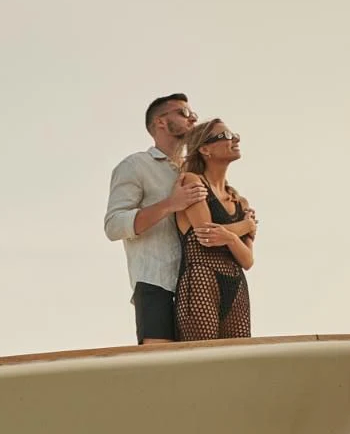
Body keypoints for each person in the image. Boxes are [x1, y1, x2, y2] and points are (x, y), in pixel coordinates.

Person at [104, 93, 207, 343]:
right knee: (162, 370)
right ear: (161, 122)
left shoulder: (197, 169)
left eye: (193, 113)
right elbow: (114, 225)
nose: (193, 117)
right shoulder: (135, 166)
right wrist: (171, 204)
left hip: (200, 286)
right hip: (156, 284)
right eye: (183, 113)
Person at [172, 119, 256, 339]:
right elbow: (206, 234)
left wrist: (229, 238)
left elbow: (247, 261)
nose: (235, 139)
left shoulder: (240, 201)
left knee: (237, 362)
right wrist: (246, 226)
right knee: (204, 361)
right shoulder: (192, 181)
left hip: (237, 284)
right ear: (205, 149)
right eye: (226, 136)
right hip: (201, 279)